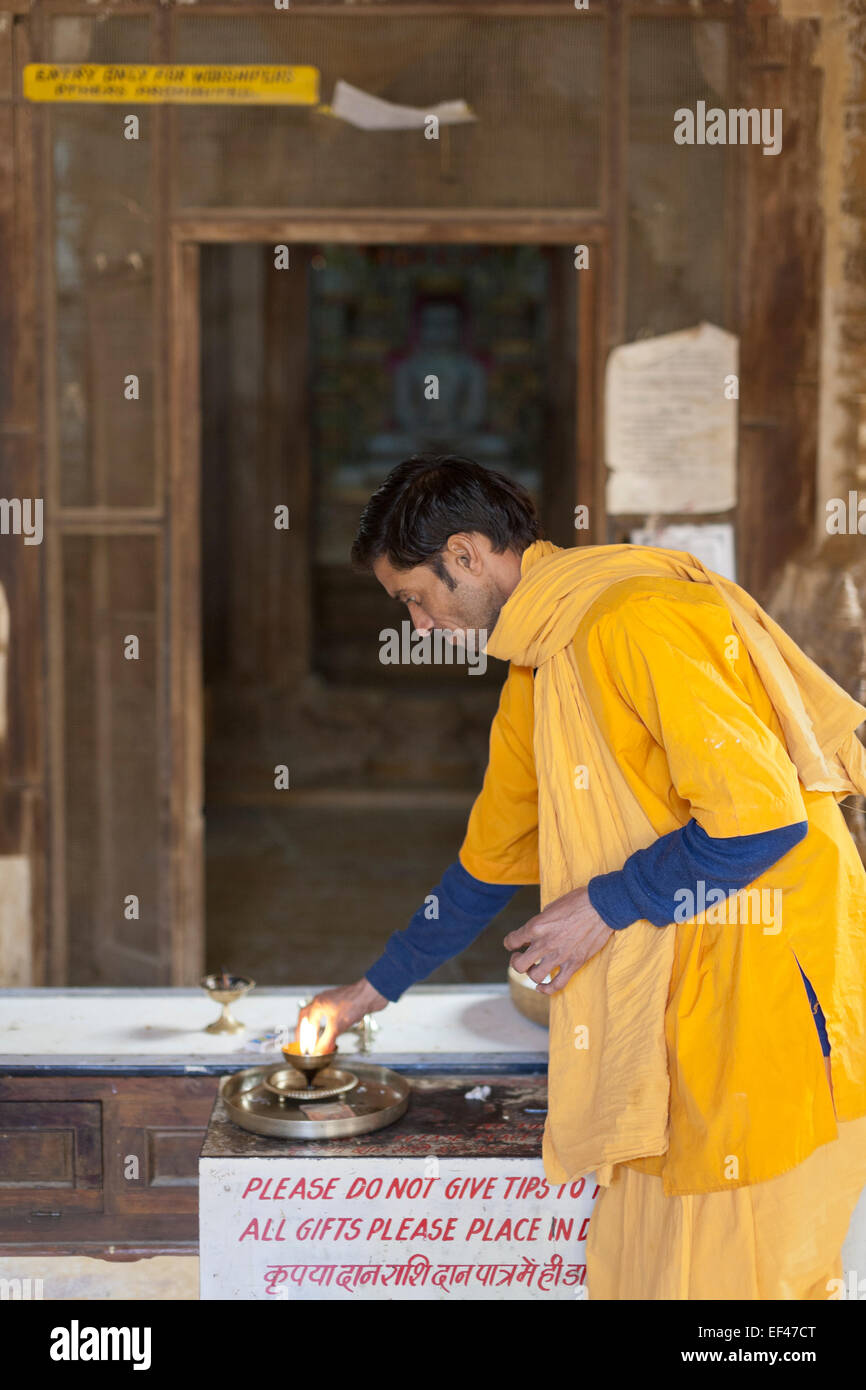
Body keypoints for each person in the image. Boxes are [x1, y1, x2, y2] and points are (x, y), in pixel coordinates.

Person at [298, 454, 866, 1300]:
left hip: (761, 992)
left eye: (415, 597)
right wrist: (371, 990)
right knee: (646, 1276)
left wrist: (606, 903)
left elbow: (762, 818)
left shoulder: (634, 615)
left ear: (465, 553)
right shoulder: (540, 666)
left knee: (743, 1292)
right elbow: (488, 864)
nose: (417, 626)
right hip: (669, 1003)